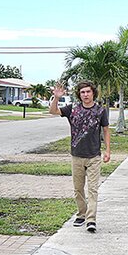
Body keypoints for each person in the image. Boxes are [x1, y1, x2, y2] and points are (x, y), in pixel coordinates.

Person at [50, 81, 111, 233]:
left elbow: (106, 130)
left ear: (93, 93)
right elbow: (53, 111)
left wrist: (108, 150)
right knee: (78, 189)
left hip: (94, 156)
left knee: (92, 189)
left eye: (88, 92)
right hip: (76, 155)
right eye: (82, 92)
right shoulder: (73, 109)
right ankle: (81, 214)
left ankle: (91, 220)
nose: (85, 95)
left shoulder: (100, 111)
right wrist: (56, 98)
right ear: (79, 94)